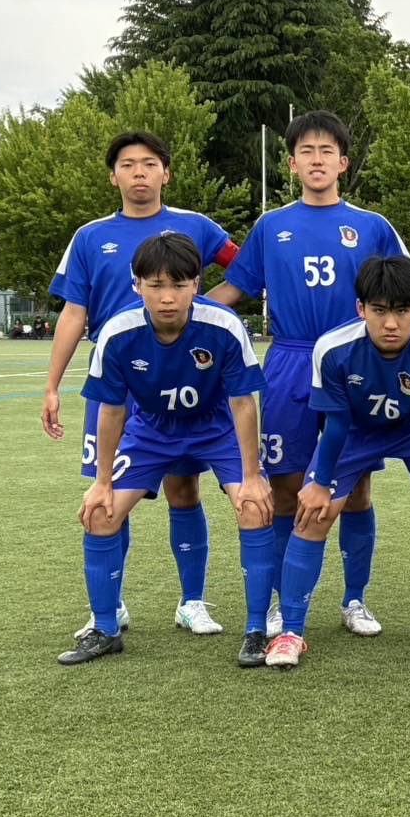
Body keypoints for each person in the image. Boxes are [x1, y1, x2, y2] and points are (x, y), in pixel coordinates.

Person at [209, 110, 409, 641]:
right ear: (292, 163)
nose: (317, 160)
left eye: (327, 152)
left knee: (356, 487)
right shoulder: (271, 226)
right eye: (306, 152)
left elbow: (408, 291)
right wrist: (187, 313)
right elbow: (234, 290)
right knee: (285, 488)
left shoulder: (372, 226)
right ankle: (281, 602)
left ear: (343, 163)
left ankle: (354, 598)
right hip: (290, 362)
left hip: (356, 363)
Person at [45, 130, 240, 639]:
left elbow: (246, 269)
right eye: (128, 164)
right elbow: (74, 312)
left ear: (165, 173)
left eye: (149, 163)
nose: (139, 172)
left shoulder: (195, 226)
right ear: (113, 176)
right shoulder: (90, 237)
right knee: (109, 489)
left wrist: (205, 309)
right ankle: (109, 606)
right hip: (116, 381)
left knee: (184, 488)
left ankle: (192, 602)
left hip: (183, 375)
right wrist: (52, 385)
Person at [58, 233, 274, 667]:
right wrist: (102, 482)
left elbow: (242, 403)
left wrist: (252, 477)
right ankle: (106, 628)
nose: (168, 297)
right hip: (152, 429)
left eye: (179, 285)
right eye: (156, 285)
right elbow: (112, 411)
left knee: (254, 507)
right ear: (137, 285)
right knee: (100, 513)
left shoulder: (224, 325)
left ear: (196, 284)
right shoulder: (118, 332)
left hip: (216, 426)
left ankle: (256, 630)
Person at [265, 256, 410, 671]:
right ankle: (291, 631)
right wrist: (320, 483)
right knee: (312, 516)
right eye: (379, 310)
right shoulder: (332, 349)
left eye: (401, 311)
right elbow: (335, 424)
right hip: (355, 432)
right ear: (360, 308)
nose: (390, 323)